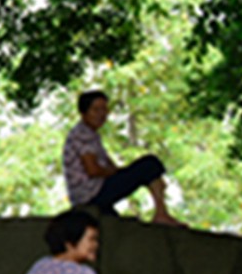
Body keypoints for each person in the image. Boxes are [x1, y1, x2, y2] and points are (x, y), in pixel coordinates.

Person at [63, 90, 180, 224]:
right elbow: (93, 170)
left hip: (87, 196)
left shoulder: (90, 134)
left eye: (104, 109)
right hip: (93, 194)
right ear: (83, 113)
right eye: (96, 110)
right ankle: (161, 213)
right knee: (150, 165)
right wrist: (118, 173)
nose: (102, 114)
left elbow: (106, 164)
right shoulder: (83, 135)